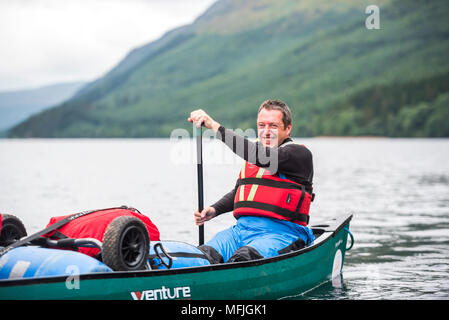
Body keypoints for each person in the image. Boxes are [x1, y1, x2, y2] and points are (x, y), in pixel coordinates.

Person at [188, 99, 315, 263]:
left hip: (282, 233)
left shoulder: (297, 154)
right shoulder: (254, 156)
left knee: (244, 258)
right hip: (240, 231)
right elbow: (241, 192)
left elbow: (260, 156)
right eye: (262, 125)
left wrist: (214, 127)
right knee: (203, 255)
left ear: (288, 128)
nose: (266, 131)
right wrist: (214, 209)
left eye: (273, 126)